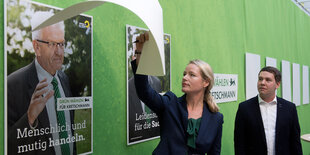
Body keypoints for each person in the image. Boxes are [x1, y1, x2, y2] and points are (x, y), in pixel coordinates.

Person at [132, 32, 223, 154]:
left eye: (192, 75)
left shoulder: (216, 118)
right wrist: (140, 53)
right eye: (184, 74)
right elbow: (144, 92)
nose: (185, 78)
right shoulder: (170, 103)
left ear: (205, 82)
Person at [7, 11, 75, 155]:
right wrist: (30, 118)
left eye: (61, 44)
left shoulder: (64, 79)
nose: (59, 52)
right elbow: (6, 145)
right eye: (52, 44)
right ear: (36, 47)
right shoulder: (12, 85)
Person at [234, 66, 303, 155]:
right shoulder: (244, 108)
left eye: (268, 80)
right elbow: (239, 143)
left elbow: (295, 142)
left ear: (277, 84)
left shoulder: (289, 108)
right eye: (260, 79)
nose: (262, 83)